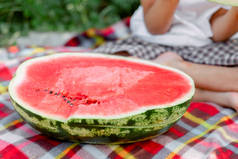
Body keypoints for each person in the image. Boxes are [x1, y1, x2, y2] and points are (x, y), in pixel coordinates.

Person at [94, 0, 238, 111]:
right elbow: (156, 27)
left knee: (138, 76)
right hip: (154, 42)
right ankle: (218, 96)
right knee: (105, 74)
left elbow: (218, 34)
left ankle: (174, 68)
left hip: (206, 47)